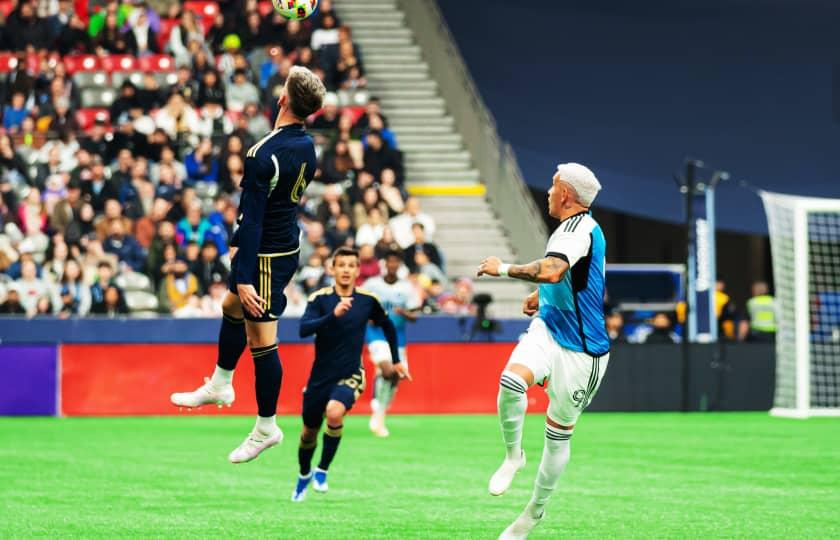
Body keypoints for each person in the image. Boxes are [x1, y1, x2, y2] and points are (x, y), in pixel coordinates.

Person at [169, 66, 326, 464]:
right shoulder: (307, 146)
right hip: (284, 246)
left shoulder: (262, 154)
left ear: (283, 100)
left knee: (262, 340)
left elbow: (253, 217)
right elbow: (271, 208)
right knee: (229, 308)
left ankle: (266, 427)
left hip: (267, 257)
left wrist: (243, 275)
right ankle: (221, 383)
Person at [476, 163, 610, 539]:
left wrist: (502, 268)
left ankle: (533, 512)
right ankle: (513, 456)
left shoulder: (578, 229)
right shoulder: (576, 230)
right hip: (550, 328)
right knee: (510, 381)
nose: (548, 193)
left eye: (553, 187)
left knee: (558, 435)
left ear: (565, 194)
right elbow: (577, 276)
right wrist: (544, 295)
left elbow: (553, 270)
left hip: (584, 353)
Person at [291, 247, 410, 502]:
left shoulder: (367, 300)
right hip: (319, 378)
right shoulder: (320, 299)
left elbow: (388, 325)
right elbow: (303, 329)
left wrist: (397, 361)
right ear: (332, 269)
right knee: (308, 434)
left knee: (334, 412)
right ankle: (304, 475)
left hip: (350, 373)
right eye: (341, 265)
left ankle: (322, 470)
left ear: (358, 270)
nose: (346, 270)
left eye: (351, 265)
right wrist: (331, 316)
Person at [362, 250, 421, 437]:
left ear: (400, 265)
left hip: (398, 337)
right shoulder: (372, 284)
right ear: (384, 264)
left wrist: (403, 313)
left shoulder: (407, 288)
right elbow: (360, 303)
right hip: (376, 333)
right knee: (387, 370)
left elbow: (414, 316)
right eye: (390, 261)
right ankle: (376, 406)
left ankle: (380, 413)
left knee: (396, 375)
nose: (392, 265)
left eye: (396, 262)